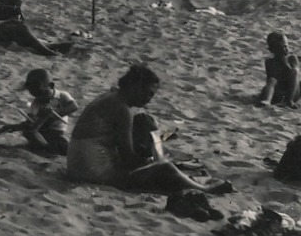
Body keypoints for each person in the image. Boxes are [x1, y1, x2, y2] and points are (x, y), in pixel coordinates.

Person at [66, 65, 209, 193]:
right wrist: (150, 161)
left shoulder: (110, 97)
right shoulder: (122, 109)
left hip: (76, 168)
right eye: (148, 93)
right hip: (94, 174)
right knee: (165, 169)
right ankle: (204, 189)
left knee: (144, 123)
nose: (149, 99)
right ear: (134, 87)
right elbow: (128, 158)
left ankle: (173, 168)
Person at [0, 68, 80, 156]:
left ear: (51, 86)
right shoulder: (36, 103)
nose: (39, 97)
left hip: (57, 130)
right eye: (33, 93)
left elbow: (73, 107)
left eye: (41, 93)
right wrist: (14, 127)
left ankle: (47, 147)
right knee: (28, 132)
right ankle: (45, 147)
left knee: (62, 144)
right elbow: (32, 120)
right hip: (43, 129)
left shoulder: (62, 95)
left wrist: (55, 114)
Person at [256, 31, 301, 108]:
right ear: (272, 50)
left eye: (286, 47)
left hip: (293, 90)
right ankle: (267, 100)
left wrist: (284, 61)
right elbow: (270, 82)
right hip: (278, 92)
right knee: (272, 80)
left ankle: (289, 101)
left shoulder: (292, 58)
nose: (285, 50)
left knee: (294, 71)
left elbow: (293, 75)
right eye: (281, 48)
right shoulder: (269, 62)